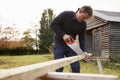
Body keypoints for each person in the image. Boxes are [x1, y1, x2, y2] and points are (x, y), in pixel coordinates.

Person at [50, 6, 93, 73]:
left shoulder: (83, 24)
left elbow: (82, 38)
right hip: (59, 42)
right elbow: (52, 24)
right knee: (59, 67)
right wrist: (63, 35)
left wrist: (83, 51)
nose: (84, 20)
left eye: (86, 19)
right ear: (80, 11)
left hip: (71, 44)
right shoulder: (66, 14)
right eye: (84, 17)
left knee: (76, 68)